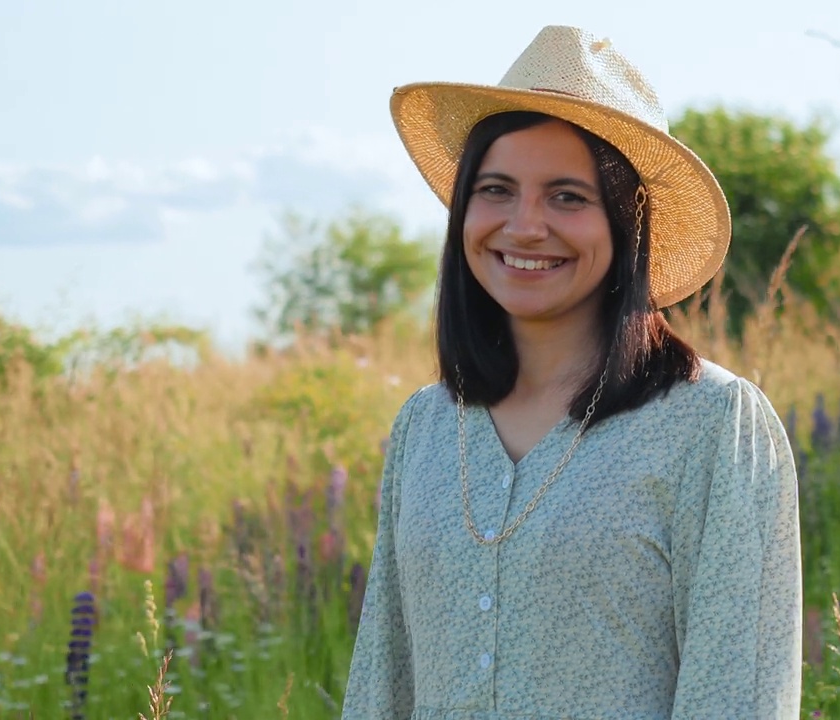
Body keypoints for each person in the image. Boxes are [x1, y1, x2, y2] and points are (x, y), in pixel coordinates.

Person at [342, 25, 803, 719]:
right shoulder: (426, 426)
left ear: (628, 224)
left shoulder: (713, 424)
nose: (525, 227)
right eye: (496, 189)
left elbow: (736, 696)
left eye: (568, 197)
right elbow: (383, 680)